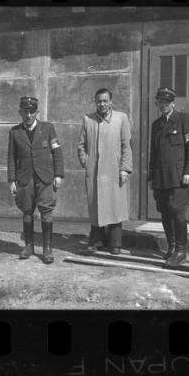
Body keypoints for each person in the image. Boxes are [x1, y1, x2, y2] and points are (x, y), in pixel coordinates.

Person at [148, 87, 189, 267]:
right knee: (164, 211)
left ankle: (181, 250)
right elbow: (153, 153)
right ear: (157, 103)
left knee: (177, 211)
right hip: (160, 177)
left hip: (179, 177)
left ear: (173, 103)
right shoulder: (156, 125)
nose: (163, 105)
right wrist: (151, 176)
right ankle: (171, 246)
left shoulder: (184, 120)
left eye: (167, 102)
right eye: (160, 101)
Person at [7, 96, 64, 264]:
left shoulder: (48, 128)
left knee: (46, 212)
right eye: (26, 111)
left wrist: (58, 175)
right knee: (27, 212)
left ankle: (47, 249)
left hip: (45, 178)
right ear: (20, 112)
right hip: (25, 179)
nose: (29, 115)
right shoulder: (14, 132)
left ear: (37, 112)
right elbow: (11, 157)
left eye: (32, 112)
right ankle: (29, 246)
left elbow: (57, 152)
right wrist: (11, 179)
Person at [77, 88, 132, 255]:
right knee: (96, 207)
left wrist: (125, 168)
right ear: (96, 102)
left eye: (105, 100)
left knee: (115, 207)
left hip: (114, 170)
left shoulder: (121, 118)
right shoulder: (88, 119)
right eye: (99, 101)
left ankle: (115, 243)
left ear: (111, 102)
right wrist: (86, 162)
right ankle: (97, 241)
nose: (102, 104)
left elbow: (126, 146)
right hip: (94, 171)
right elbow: (81, 145)